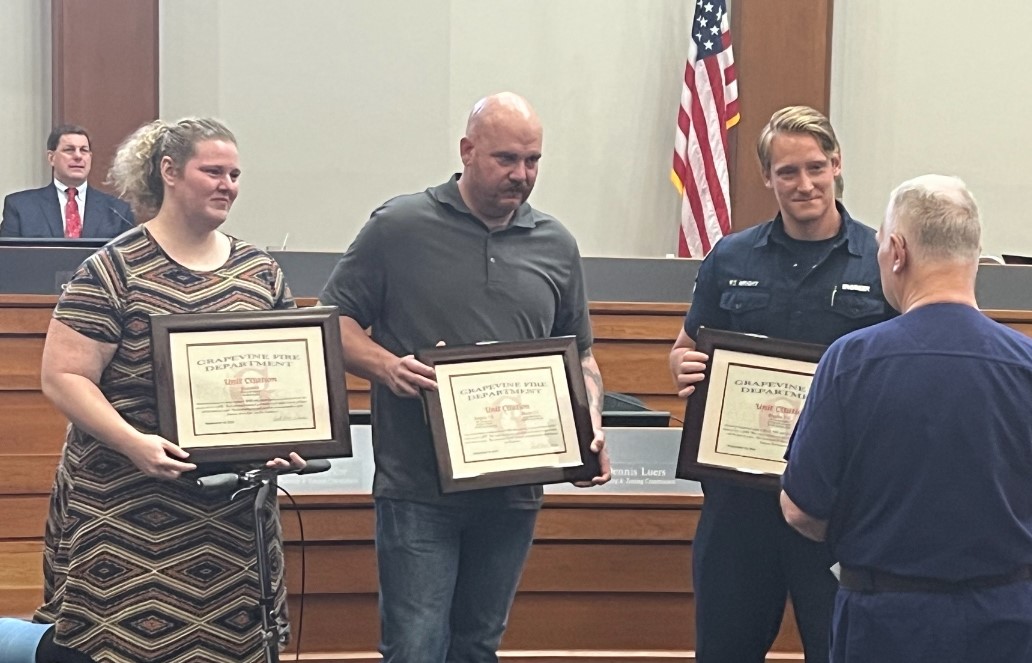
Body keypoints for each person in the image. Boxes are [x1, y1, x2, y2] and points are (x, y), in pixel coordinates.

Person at [319, 91, 611, 663]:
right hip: (419, 487)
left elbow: (580, 356)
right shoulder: (399, 226)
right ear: (467, 150)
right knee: (416, 647)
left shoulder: (557, 243)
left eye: (533, 160)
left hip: (515, 487)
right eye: (506, 159)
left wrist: (590, 421)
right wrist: (387, 366)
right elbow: (334, 323)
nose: (521, 175)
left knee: (478, 646)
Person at [33, 117, 304, 663]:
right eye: (213, 171)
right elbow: (63, 376)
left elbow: (286, 380)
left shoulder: (260, 272)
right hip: (125, 508)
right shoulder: (113, 269)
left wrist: (286, 437)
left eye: (235, 174)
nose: (227, 184)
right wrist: (134, 443)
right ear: (169, 172)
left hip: (230, 523)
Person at [668, 105, 894, 662]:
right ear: (767, 177)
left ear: (837, 164)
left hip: (837, 508)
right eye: (787, 172)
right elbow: (685, 345)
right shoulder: (730, 256)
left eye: (815, 167)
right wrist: (682, 365)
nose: (804, 184)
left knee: (841, 651)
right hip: (739, 507)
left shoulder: (880, 260)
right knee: (725, 651)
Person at [781, 175, 1032, 663]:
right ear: (974, 253)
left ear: (896, 251)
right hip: (1011, 621)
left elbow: (800, 508)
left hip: (885, 622)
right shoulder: (1024, 363)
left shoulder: (851, 361)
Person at [0, 125, 135, 238]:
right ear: (51, 158)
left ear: (90, 158)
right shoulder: (21, 207)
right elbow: (8, 257)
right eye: (69, 150)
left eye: (84, 150)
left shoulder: (117, 211)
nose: (78, 156)